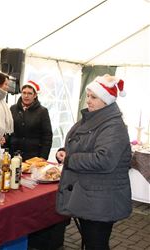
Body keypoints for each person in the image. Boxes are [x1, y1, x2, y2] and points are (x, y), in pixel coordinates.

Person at [56, 74, 132, 250]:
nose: (88, 101)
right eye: (88, 96)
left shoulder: (113, 126)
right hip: (91, 195)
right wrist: (64, 151)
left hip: (101, 199)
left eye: (94, 97)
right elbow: (81, 144)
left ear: (106, 100)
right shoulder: (93, 118)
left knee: (96, 244)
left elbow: (104, 160)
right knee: (92, 242)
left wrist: (70, 159)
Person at [9, 80, 52, 160]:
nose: (26, 96)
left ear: (35, 95)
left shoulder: (42, 111)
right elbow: (8, 131)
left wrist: (43, 157)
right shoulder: (13, 109)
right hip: (13, 154)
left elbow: (47, 136)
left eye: (29, 93)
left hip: (33, 156)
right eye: (24, 93)